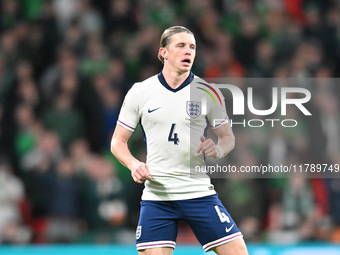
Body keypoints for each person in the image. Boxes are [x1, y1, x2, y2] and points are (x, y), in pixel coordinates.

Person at [111, 26, 249, 255]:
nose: (189, 51)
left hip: (198, 192)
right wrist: (134, 164)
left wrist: (218, 149)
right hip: (158, 195)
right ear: (163, 52)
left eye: (192, 47)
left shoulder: (208, 92)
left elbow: (228, 137)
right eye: (181, 46)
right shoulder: (140, 91)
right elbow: (117, 142)